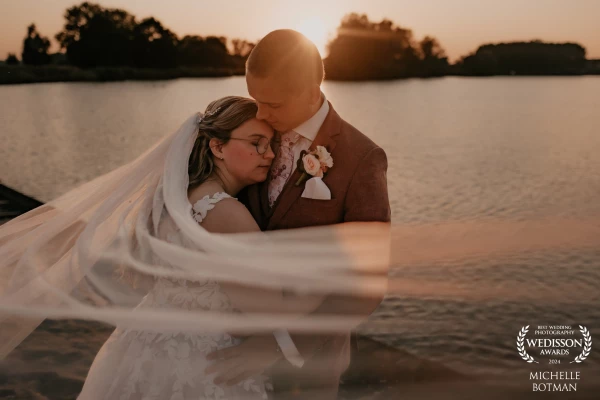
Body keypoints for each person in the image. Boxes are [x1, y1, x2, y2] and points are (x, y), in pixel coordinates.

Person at [206, 30, 391, 399]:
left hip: (308, 362)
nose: (260, 112)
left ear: (310, 92)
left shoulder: (361, 158)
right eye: (255, 99)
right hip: (228, 340)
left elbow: (366, 284)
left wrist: (276, 346)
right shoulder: (254, 129)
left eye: (271, 104)